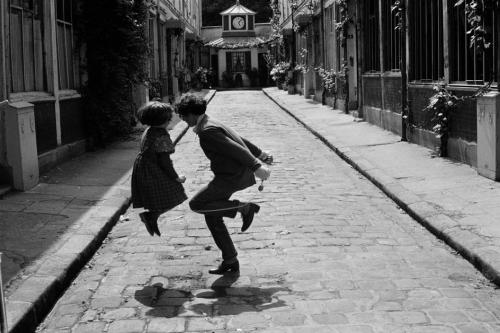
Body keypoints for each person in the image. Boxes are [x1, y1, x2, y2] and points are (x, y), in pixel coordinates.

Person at [176, 93, 272, 274]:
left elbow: (235, 148)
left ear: (191, 114)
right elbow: (240, 139)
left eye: (183, 116)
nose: (182, 119)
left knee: (197, 203)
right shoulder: (211, 122)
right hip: (230, 174)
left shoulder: (206, 131)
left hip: (231, 176)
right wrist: (261, 154)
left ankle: (244, 208)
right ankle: (230, 260)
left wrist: (257, 165)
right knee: (212, 213)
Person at [131, 101, 187, 237]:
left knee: (154, 198)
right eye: (168, 118)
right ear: (163, 120)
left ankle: (150, 216)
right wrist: (176, 177)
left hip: (142, 167)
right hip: (153, 169)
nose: (170, 120)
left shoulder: (149, 130)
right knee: (174, 195)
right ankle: (151, 216)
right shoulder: (161, 135)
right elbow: (165, 161)